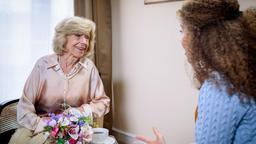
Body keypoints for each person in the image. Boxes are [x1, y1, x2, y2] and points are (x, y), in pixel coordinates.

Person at [136, 0, 256, 143]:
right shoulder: (245, 73)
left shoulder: (220, 88)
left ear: (199, 36)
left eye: (182, 30)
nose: (182, 40)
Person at [8, 16, 110, 144]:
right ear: (63, 38)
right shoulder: (43, 65)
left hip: (73, 126)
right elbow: (25, 106)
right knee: (17, 141)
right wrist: (43, 124)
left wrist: (80, 111)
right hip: (39, 122)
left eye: (87, 37)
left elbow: (103, 102)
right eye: (78, 36)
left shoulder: (89, 68)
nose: (84, 42)